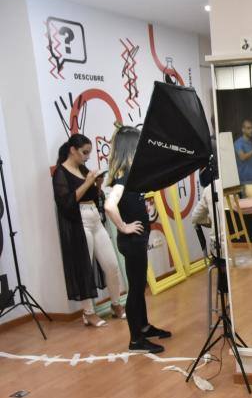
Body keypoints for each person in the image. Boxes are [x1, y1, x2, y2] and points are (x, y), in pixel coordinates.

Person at [104, 126, 172, 354]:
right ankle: (136, 340)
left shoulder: (131, 178)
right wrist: (124, 227)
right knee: (135, 289)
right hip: (132, 242)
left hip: (136, 241)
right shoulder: (123, 179)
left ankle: (143, 327)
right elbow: (109, 206)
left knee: (139, 286)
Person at [52, 133, 125, 327]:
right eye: (84, 152)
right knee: (85, 268)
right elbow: (65, 202)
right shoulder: (60, 172)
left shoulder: (82, 169)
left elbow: (92, 195)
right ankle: (88, 313)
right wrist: (87, 183)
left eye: (89, 153)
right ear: (72, 150)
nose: (87, 157)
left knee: (111, 264)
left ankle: (116, 304)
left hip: (95, 218)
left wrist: (97, 184)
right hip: (79, 221)